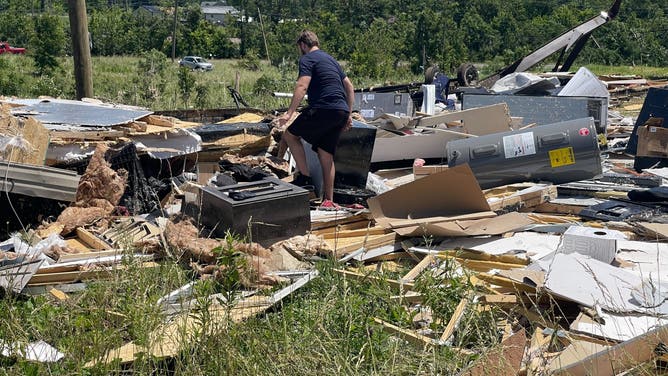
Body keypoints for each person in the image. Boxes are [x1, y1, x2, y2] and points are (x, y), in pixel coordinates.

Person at [278, 30, 354, 208]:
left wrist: (289, 113)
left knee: (290, 135)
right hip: (340, 111)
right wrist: (348, 115)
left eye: (300, 48)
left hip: (323, 108)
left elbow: (302, 85)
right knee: (325, 153)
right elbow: (349, 87)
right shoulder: (331, 60)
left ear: (303, 45)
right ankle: (328, 200)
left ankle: (305, 179)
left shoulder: (307, 59)